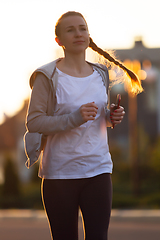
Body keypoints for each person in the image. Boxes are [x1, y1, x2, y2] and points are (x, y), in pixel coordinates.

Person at [26, 11, 143, 240]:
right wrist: (74, 118)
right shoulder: (47, 76)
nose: (78, 33)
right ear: (59, 40)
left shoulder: (100, 73)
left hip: (98, 170)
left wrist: (110, 117)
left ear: (89, 35)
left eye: (82, 28)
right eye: (70, 30)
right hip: (60, 174)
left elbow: (97, 116)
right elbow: (34, 122)